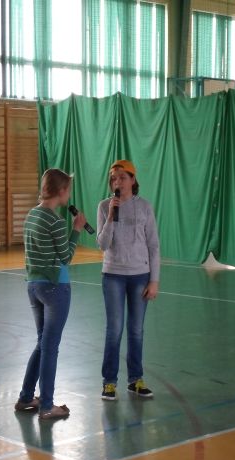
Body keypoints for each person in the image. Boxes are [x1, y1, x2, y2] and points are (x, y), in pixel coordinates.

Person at [15, 168, 86, 420]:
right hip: (55, 287)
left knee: (42, 343)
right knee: (50, 347)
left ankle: (26, 397)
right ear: (62, 191)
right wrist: (76, 229)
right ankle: (47, 405)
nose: (69, 194)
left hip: (34, 286)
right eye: (68, 189)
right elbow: (65, 256)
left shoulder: (31, 215)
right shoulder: (55, 221)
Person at [96, 159, 160, 401]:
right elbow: (103, 244)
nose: (118, 182)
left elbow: (153, 245)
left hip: (140, 276)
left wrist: (154, 280)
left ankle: (135, 380)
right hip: (113, 274)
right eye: (114, 178)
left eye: (123, 177)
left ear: (133, 180)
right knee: (114, 329)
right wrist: (112, 215)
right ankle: (109, 382)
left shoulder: (144, 207)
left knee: (136, 330)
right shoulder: (104, 206)